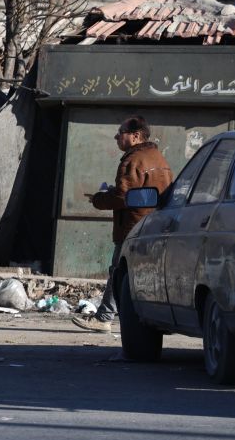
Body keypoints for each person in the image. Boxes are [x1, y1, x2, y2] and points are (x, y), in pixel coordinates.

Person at [72, 116, 173, 332]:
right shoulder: (159, 159)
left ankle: (104, 318)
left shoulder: (133, 160)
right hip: (155, 225)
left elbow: (123, 197)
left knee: (119, 272)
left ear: (135, 136)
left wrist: (98, 199)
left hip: (132, 227)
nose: (116, 137)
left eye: (121, 133)